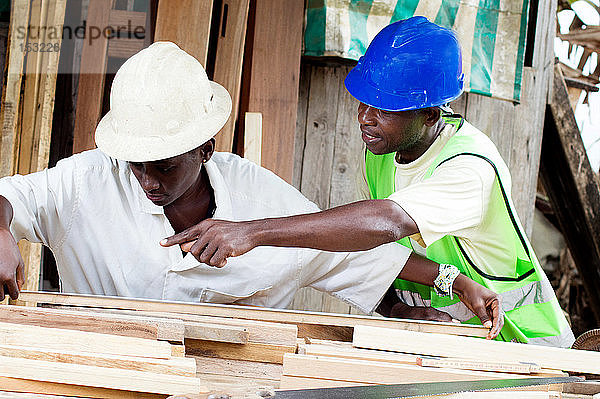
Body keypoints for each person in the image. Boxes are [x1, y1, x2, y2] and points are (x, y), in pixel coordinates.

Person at [0, 42, 503, 337]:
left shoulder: (261, 200)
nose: (148, 180)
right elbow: (9, 198)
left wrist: (448, 283)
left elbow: (351, 256)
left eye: (166, 166)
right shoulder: (85, 182)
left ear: (205, 149)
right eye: (137, 165)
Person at [161, 17, 574, 347]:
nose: (365, 117)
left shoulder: (470, 167)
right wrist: (404, 305)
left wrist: (253, 232)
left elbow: (386, 222)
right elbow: (375, 248)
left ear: (431, 115)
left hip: (522, 342)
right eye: (364, 101)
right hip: (454, 336)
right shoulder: (383, 156)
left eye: (385, 109)